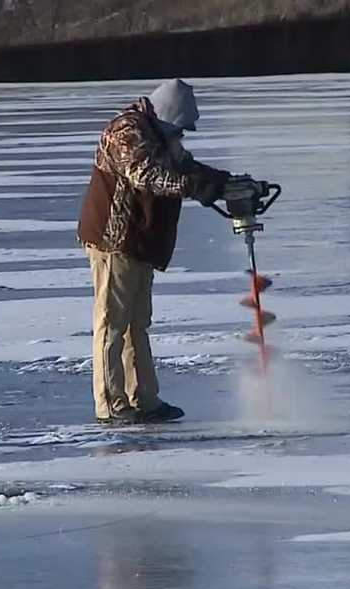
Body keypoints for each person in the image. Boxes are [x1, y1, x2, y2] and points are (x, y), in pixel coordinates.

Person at [77, 79, 234, 425]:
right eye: (180, 127)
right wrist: (195, 187)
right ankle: (110, 405)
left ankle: (144, 399)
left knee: (137, 322)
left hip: (140, 240)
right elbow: (148, 175)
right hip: (113, 240)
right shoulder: (126, 132)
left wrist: (224, 182)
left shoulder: (161, 135)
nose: (183, 135)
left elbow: (184, 166)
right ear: (166, 116)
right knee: (112, 322)